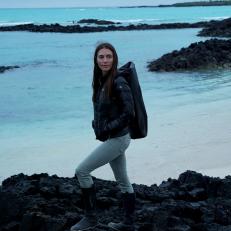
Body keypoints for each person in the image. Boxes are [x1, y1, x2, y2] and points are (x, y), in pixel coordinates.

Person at [70, 42, 136, 231]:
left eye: (108, 56)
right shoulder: (102, 80)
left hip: (118, 139)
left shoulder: (118, 81)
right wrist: (97, 124)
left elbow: (129, 113)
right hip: (115, 138)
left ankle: (91, 218)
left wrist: (107, 128)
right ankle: (128, 224)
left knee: (82, 171)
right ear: (96, 60)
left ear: (114, 58)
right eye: (101, 57)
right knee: (123, 181)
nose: (105, 60)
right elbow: (107, 109)